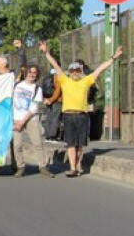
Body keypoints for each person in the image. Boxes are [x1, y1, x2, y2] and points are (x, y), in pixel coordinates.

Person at [40, 40, 123, 177]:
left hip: (82, 116)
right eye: (72, 70)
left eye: (77, 70)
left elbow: (101, 68)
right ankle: (73, 168)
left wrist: (114, 57)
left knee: (80, 145)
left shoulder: (87, 80)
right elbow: (54, 64)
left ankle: (77, 165)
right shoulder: (65, 80)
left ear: (81, 71)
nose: (74, 73)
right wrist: (46, 52)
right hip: (68, 115)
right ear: (69, 71)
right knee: (71, 144)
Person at [11, 65, 54, 178]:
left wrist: (22, 121)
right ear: (26, 73)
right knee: (17, 145)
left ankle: (42, 166)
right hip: (16, 118)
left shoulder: (37, 89)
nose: (32, 74)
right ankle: (20, 167)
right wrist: (15, 120)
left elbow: (34, 107)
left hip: (31, 119)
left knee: (38, 143)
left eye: (34, 73)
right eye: (30, 72)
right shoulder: (16, 85)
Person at [42, 64, 63, 141]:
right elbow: (58, 90)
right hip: (56, 100)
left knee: (49, 117)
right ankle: (52, 135)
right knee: (55, 117)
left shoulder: (48, 75)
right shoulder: (58, 75)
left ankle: (47, 134)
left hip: (48, 98)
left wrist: (47, 99)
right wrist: (52, 100)